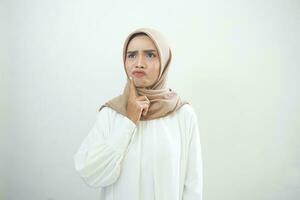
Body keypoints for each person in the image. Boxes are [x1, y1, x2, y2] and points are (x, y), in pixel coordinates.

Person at [73, 27, 203, 200]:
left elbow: (193, 186)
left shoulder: (183, 114)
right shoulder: (111, 113)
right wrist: (129, 121)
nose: (139, 63)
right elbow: (91, 172)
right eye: (132, 55)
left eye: (150, 55)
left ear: (165, 61)